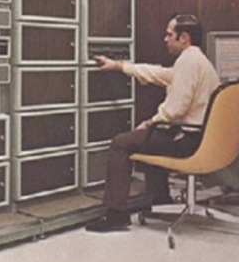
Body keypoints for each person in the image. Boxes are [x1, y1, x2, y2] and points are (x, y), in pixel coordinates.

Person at [85, 14, 220, 233]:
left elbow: (175, 110)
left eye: (169, 34)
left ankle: (116, 214)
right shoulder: (197, 61)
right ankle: (160, 201)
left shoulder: (188, 61)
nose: (165, 39)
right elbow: (161, 74)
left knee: (122, 143)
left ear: (184, 37)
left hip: (188, 140)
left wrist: (149, 123)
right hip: (199, 137)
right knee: (153, 138)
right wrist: (120, 66)